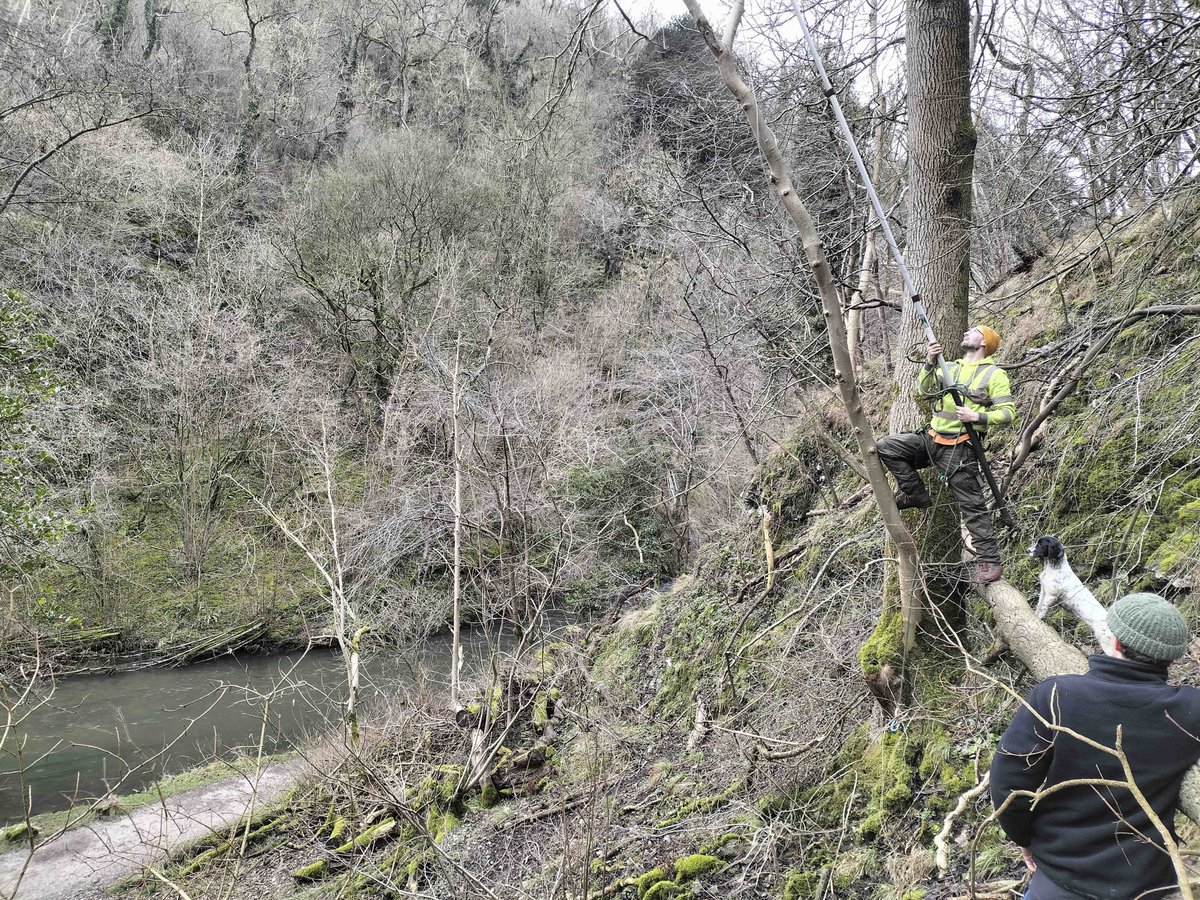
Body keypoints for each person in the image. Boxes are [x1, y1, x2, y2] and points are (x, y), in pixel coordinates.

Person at [990, 592, 1200, 899]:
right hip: (1147, 882)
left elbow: (1008, 781)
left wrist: (1023, 838)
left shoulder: (1057, 695)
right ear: (1172, 657)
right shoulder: (1190, 710)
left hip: (1061, 876)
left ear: (1115, 641)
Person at [876, 325, 1015, 583]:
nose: (965, 333)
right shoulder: (949, 366)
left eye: (973, 331)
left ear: (985, 342)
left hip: (960, 448)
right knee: (887, 446)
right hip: (931, 439)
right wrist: (929, 363)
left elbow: (1007, 413)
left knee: (972, 506)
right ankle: (915, 494)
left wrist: (978, 416)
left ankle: (989, 560)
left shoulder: (994, 375)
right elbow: (925, 391)